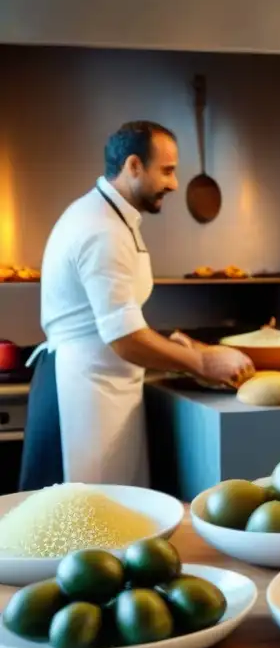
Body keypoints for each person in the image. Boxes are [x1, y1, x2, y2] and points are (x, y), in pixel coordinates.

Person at [19, 121, 253, 492]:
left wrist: (181, 347)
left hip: (102, 387)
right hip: (82, 394)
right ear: (133, 166)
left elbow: (117, 317)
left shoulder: (111, 216)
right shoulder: (102, 229)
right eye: (168, 171)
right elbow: (124, 338)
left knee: (114, 520)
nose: (175, 184)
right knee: (85, 526)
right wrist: (203, 363)